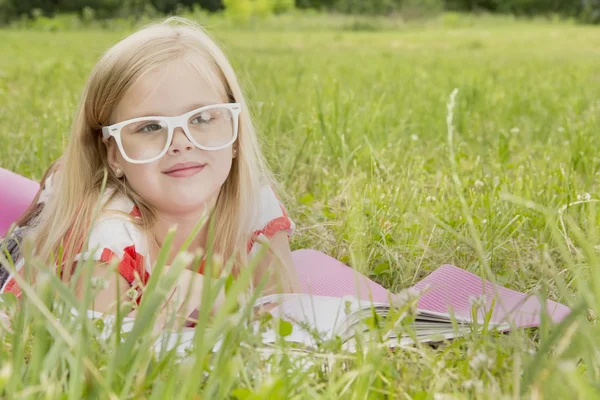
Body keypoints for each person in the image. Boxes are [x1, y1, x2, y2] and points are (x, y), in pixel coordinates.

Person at [0, 16, 303, 329]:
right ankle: (57, 190)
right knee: (49, 217)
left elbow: (284, 319)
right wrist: (163, 309)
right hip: (34, 261)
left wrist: (232, 308)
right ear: (114, 153)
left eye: (201, 118)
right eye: (150, 126)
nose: (181, 143)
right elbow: (98, 342)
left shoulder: (252, 204)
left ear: (236, 133)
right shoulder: (111, 231)